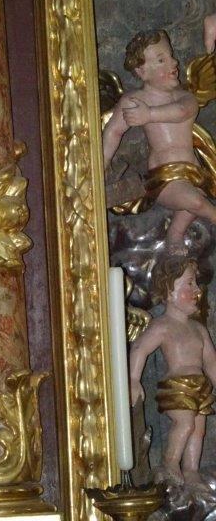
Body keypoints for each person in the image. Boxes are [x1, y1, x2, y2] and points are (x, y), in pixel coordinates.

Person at [102, 29, 216, 247]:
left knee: (190, 206)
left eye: (171, 56)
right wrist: (103, 162)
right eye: (161, 60)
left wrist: (149, 115)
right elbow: (113, 131)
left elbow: (182, 111)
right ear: (142, 71)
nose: (173, 62)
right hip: (164, 178)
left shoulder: (185, 97)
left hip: (195, 173)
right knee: (196, 202)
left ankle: (174, 237)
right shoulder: (135, 100)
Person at [129, 256, 216, 484]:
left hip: (201, 387)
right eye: (190, 283)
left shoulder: (199, 329)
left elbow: (210, 362)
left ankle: (191, 470)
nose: (197, 290)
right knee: (185, 424)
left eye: (196, 283)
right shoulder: (163, 326)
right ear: (169, 291)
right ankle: (170, 463)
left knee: (198, 430)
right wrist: (133, 379)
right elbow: (140, 348)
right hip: (177, 387)